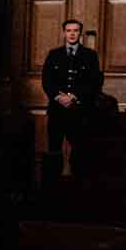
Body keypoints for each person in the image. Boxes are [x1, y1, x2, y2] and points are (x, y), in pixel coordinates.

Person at [42, 18, 103, 178]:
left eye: (75, 30)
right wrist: (58, 97)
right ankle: (52, 187)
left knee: (81, 153)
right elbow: (46, 80)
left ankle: (77, 191)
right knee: (53, 151)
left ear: (80, 33)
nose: (72, 34)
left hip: (79, 111)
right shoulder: (54, 55)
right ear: (64, 33)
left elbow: (95, 81)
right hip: (57, 110)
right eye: (69, 30)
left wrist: (75, 96)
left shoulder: (90, 55)